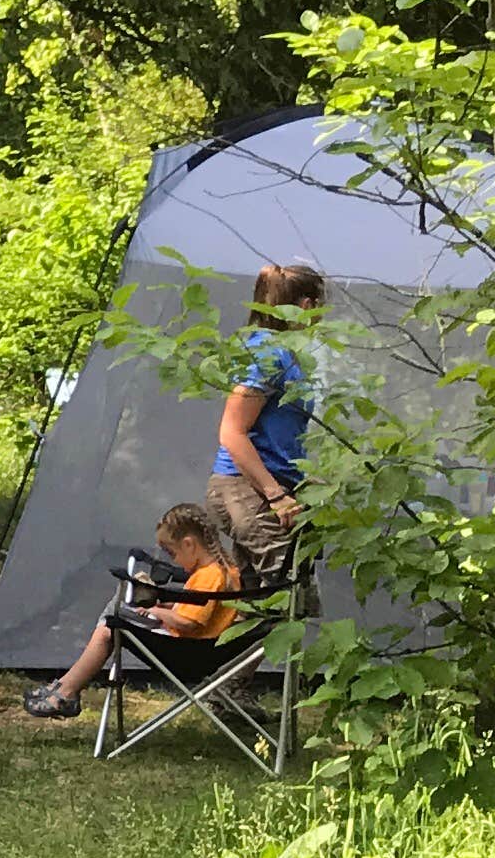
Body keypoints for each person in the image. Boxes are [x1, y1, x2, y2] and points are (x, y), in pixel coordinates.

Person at [22, 500, 239, 721]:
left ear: (189, 544)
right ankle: (66, 686)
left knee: (109, 627)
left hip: (186, 652)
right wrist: (165, 606)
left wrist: (155, 609)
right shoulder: (226, 569)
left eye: (172, 553)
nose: (173, 560)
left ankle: (66, 692)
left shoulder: (209, 576)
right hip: (199, 647)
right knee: (114, 615)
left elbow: (188, 623)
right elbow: (198, 611)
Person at [208, 260, 324, 576]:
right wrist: (276, 495)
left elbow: (277, 433)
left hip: (266, 490)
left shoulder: (288, 356)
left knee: (255, 605)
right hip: (248, 491)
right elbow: (232, 432)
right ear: (306, 305)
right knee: (287, 592)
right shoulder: (268, 353)